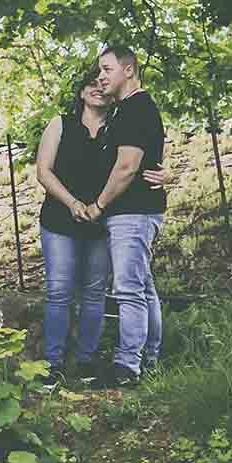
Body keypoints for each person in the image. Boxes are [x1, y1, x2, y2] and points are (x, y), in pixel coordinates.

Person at [35, 68, 173, 385]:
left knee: (95, 293)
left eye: (102, 82)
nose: (97, 87)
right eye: (90, 83)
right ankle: (52, 364)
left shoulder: (118, 126)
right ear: (80, 91)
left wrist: (167, 174)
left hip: (100, 220)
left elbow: (137, 160)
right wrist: (72, 203)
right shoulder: (61, 124)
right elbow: (44, 171)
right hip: (61, 219)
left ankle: (86, 361)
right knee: (58, 291)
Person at [84, 44, 167, 388]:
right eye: (99, 71)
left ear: (128, 70)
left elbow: (127, 167)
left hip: (133, 213)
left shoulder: (136, 109)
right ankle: (149, 358)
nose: (101, 77)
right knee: (143, 289)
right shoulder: (128, 110)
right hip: (135, 211)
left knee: (129, 290)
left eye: (107, 69)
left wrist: (99, 205)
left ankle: (127, 368)